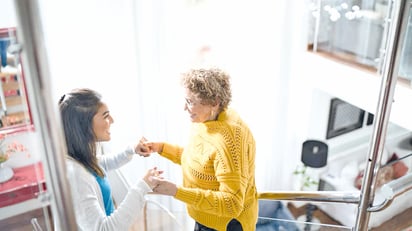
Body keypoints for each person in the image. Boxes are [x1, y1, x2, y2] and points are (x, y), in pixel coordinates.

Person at [137, 68, 258, 231]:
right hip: (205, 216)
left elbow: (232, 203)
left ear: (214, 102)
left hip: (225, 225)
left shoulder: (230, 139)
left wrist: (176, 191)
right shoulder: (206, 121)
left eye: (190, 102)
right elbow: (199, 160)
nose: (184, 108)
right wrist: (161, 148)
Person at [58, 88, 163, 231]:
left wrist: (132, 149)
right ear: (84, 124)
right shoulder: (75, 175)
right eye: (106, 116)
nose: (112, 120)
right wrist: (142, 187)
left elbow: (103, 163)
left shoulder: (82, 159)